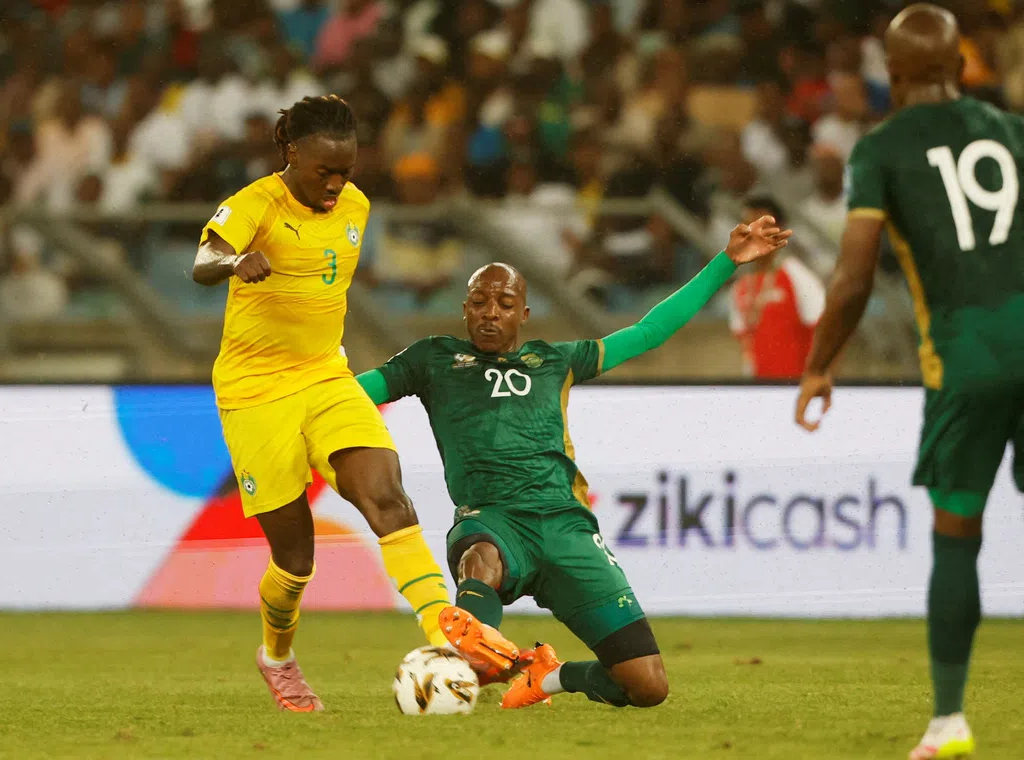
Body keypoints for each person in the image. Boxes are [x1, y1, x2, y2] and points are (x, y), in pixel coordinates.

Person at [356, 217, 791, 709]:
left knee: (647, 686)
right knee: (482, 561)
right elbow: (352, 395)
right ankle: (470, 658)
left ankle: (544, 677)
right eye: (479, 302)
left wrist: (725, 261)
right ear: (464, 310)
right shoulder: (432, 360)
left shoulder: (557, 361)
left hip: (567, 527)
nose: (489, 313)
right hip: (493, 520)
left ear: (524, 312)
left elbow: (649, 332)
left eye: (503, 304)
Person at [793, 6, 1024, 758]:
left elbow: (855, 275)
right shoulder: (1013, 132)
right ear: (961, 64)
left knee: (957, 535)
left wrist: (821, 361)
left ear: (890, 76)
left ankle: (950, 721)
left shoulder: (882, 148)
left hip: (966, 363)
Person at [192, 95, 450, 713]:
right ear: (290, 153)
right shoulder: (255, 204)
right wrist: (234, 261)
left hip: (326, 376)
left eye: (346, 170)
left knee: (385, 492)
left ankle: (448, 636)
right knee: (295, 557)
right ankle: (276, 657)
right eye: (322, 172)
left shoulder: (356, 205)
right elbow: (201, 261)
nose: (335, 185)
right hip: (255, 392)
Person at [729, 195, 825, 379]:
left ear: (779, 230)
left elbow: (825, 332)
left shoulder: (796, 275)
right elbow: (745, 348)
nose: (754, 234)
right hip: (758, 391)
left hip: (793, 388)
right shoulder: (739, 288)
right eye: (747, 226)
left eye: (762, 227)